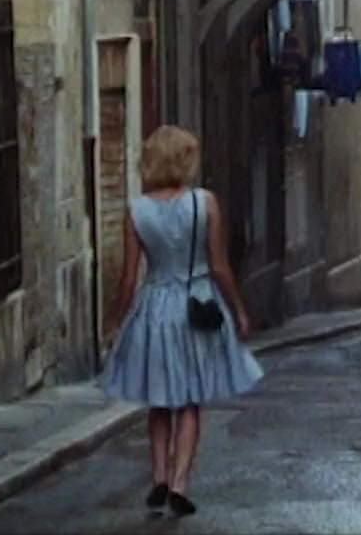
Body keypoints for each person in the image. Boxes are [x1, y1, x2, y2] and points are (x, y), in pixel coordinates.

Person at [102, 125, 264, 517]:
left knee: (159, 400)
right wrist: (239, 310)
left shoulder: (136, 211)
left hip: (154, 308)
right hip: (196, 305)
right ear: (184, 160)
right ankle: (179, 483)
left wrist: (115, 321)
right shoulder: (204, 203)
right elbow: (220, 266)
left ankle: (158, 475)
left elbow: (129, 278)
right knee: (190, 400)